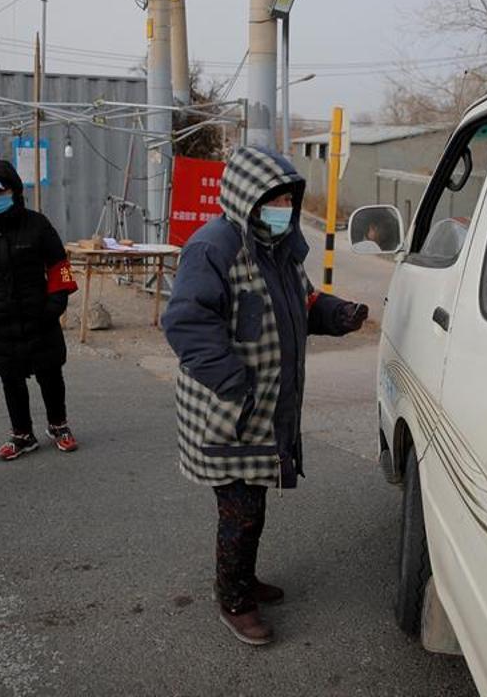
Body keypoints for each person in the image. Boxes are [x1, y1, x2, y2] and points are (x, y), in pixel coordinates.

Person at [161, 146, 369, 646]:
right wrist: (234, 381)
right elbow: (186, 322)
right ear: (244, 198)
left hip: (259, 406)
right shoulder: (213, 246)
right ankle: (233, 599)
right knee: (241, 507)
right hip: (229, 408)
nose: (281, 209)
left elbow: (303, 300)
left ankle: (242, 578)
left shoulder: (277, 249)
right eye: (271, 200)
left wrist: (338, 314)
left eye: (286, 200)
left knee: (250, 502)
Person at [0, 160, 79, 460]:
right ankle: (22, 435)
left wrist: (55, 306)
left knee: (50, 374)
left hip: (40, 316)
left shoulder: (38, 225)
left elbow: (60, 266)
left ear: (14, 191)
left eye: (0, 189)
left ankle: (58, 425)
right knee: (10, 379)